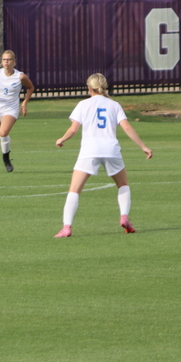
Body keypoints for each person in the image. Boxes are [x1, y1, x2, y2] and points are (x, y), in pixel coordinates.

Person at [54, 73, 152, 238]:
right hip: (111, 150)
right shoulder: (114, 105)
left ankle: (67, 227)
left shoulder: (83, 104)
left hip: (89, 151)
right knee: (123, 185)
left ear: (89, 88)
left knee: (74, 190)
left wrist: (62, 139)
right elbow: (127, 128)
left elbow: (73, 129)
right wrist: (143, 146)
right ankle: (124, 217)